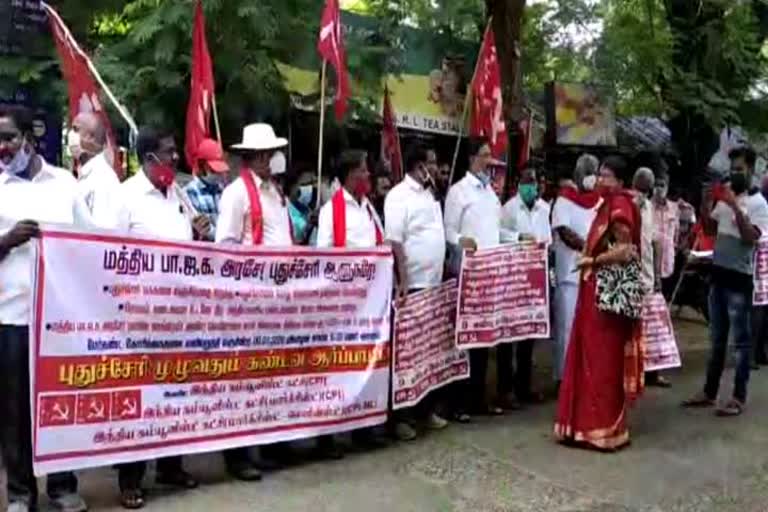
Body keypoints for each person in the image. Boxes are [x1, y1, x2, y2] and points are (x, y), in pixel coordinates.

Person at [0, 105, 89, 512]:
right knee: (15, 412)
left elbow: (92, 243)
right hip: (12, 318)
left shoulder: (65, 184)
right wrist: (7, 241)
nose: (2, 148)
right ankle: (20, 494)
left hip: (59, 321)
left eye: (8, 138)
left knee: (60, 405)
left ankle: (63, 486)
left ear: (29, 140)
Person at [114, 126, 209, 509]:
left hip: (179, 316)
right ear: (148, 158)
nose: (175, 159)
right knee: (140, 399)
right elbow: (110, 255)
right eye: (168, 152)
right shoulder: (126, 198)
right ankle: (130, 477)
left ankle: (171, 465)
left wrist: (200, 238)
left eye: (174, 152)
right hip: (140, 317)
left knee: (175, 394)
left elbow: (188, 256)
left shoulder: (179, 196)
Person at [214, 123, 300, 472]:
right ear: (257, 157)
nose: (272, 159)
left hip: (278, 300)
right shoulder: (236, 193)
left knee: (273, 374)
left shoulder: (275, 194)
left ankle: (270, 444)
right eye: (267, 154)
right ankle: (238, 455)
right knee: (244, 378)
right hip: (250, 300)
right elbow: (226, 246)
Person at [554, 155, 645, 452]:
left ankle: (603, 429)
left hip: (606, 297)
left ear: (619, 180)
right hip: (594, 292)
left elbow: (626, 250)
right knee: (588, 357)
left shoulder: (619, 206)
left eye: (606, 176)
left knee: (602, 361)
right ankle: (583, 426)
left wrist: (592, 259)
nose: (600, 181)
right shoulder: (608, 204)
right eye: (600, 175)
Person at [317, 149, 406, 448]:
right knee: (337, 368)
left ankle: (363, 429)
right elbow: (325, 257)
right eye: (364, 170)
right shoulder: (332, 210)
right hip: (344, 303)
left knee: (365, 365)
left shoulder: (368, 208)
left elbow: (381, 248)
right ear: (351, 175)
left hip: (370, 306)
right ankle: (327, 437)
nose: (369, 175)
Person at [683, 147, 768, 415]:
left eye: (740, 169)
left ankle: (738, 397)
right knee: (717, 339)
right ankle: (709, 392)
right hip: (718, 276)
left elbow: (751, 238)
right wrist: (707, 204)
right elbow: (710, 228)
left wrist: (734, 206)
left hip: (739, 280)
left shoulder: (759, 204)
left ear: (752, 170)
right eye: (732, 169)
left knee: (741, 343)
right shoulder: (726, 194)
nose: (734, 173)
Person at [443, 137, 520, 420]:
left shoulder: (490, 193)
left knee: (484, 341)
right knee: (465, 341)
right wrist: (461, 240)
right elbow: (447, 230)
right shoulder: (458, 192)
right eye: (486, 155)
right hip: (468, 277)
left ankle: (478, 399)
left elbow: (497, 231)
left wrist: (517, 238)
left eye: (491, 155)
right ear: (473, 158)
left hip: (491, 278)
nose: (491, 160)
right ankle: (458, 404)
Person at [384, 146, 449, 440]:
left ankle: (426, 410)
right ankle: (401, 418)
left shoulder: (430, 194)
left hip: (434, 283)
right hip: (413, 285)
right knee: (408, 353)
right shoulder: (398, 196)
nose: (436, 168)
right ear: (419, 166)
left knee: (430, 351)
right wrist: (404, 280)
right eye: (432, 163)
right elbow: (395, 242)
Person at [550, 153, 602, 386]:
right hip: (569, 275)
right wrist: (589, 246)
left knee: (591, 328)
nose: (592, 178)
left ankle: (586, 374)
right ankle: (563, 377)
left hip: (592, 274)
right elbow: (564, 232)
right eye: (588, 173)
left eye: (595, 173)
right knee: (566, 328)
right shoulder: (564, 199)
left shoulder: (600, 200)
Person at [501, 166, 551, 403]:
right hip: (513, 279)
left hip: (535, 280)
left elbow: (547, 240)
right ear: (519, 183)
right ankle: (505, 388)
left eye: (536, 181)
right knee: (509, 336)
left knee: (529, 334)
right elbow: (499, 234)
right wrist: (519, 238)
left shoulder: (544, 209)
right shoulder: (509, 208)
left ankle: (524, 386)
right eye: (528, 181)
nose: (533, 185)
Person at [632, 168, 670, 388]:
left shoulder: (649, 208)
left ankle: (653, 372)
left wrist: (657, 275)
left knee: (653, 327)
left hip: (647, 276)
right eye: (641, 188)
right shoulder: (627, 205)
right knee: (632, 329)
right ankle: (635, 373)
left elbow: (656, 242)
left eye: (647, 190)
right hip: (630, 278)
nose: (643, 194)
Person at [70, 112, 122, 229]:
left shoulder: (103, 179)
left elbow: (103, 233)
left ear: (91, 137)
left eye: (76, 129)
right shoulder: (85, 175)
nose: (71, 135)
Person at [183, 138, 230, 241]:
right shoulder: (190, 193)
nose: (218, 174)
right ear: (202, 165)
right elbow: (200, 230)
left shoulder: (223, 191)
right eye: (213, 170)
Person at [285, 166, 318, 245]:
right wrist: (307, 226)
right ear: (292, 185)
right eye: (306, 184)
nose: (311, 187)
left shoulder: (305, 208)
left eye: (313, 183)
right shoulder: (283, 208)